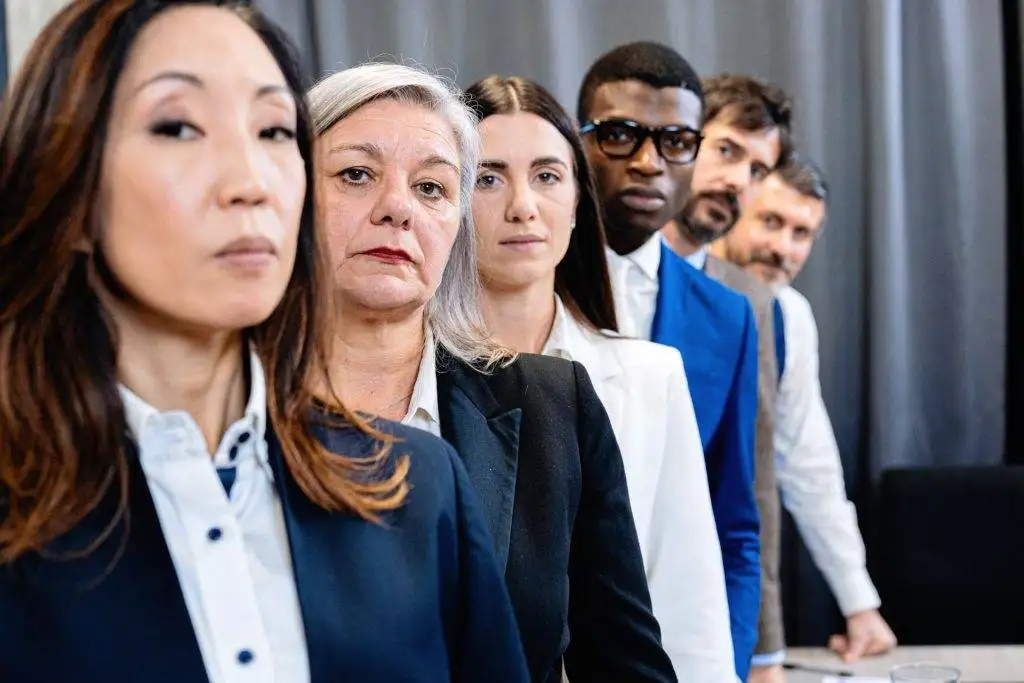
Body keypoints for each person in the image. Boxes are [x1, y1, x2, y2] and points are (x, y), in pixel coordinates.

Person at [0, 3, 530, 682]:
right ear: (66, 186)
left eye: (274, 131)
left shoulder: (417, 486)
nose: (250, 182)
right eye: (178, 126)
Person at [309, 63, 677, 683]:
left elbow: (626, 665)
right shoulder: (224, 406)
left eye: (431, 188)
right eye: (356, 175)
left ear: (456, 225)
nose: (397, 208)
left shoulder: (552, 407)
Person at [466, 74, 736, 682]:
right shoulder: (407, 373)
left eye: (547, 175)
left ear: (578, 200)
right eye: (487, 177)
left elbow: (685, 596)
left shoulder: (648, 374)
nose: (522, 205)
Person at [577, 41, 761, 680]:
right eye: (621, 135)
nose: (650, 162)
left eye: (677, 139)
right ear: (579, 145)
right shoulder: (521, 290)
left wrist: (727, 666)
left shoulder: (729, 318)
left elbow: (733, 524)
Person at [711, 154, 898, 677]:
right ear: (737, 205)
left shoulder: (791, 316)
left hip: (739, 568)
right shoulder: (673, 286)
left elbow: (808, 465)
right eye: (771, 222)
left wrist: (859, 603)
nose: (783, 248)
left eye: (802, 233)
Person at [662, 74, 794, 677]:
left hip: (692, 617)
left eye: (759, 169)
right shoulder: (572, 262)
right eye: (727, 151)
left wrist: (761, 649)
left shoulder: (752, 302)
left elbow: (754, 480)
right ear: (682, 141)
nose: (740, 181)